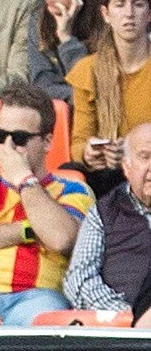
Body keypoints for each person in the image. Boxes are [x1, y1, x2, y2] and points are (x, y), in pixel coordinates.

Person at [70, 0, 151, 188]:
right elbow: (78, 143)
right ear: (106, 14)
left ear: (149, 14)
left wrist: (131, 149)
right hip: (107, 173)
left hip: (147, 166)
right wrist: (90, 153)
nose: (129, 13)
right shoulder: (88, 70)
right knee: (72, 173)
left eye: (138, 4)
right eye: (120, 5)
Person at [64, 122, 151, 313]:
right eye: (145, 157)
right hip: (120, 329)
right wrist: (123, 312)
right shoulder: (104, 212)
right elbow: (79, 278)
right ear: (126, 167)